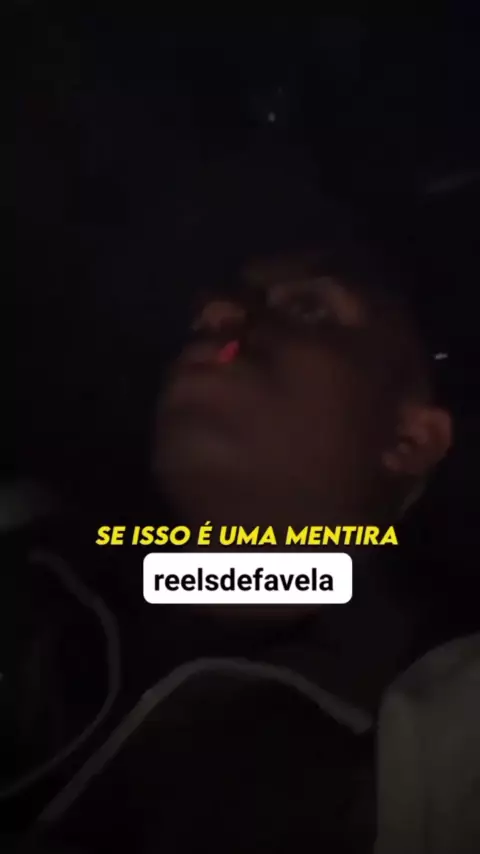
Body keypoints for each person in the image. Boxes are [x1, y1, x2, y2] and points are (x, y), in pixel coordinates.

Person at [4, 226, 476, 854]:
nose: (215, 313)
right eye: (212, 306)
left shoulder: (441, 734)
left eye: (309, 307)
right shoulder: (26, 541)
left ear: (408, 440)